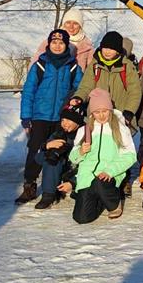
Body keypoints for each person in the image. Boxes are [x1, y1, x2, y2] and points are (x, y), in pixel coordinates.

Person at [16, 29, 84, 204]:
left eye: (61, 43)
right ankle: (29, 185)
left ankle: (55, 186)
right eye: (54, 42)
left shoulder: (73, 67)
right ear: (49, 44)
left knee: (59, 151)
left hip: (62, 118)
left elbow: (80, 90)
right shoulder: (40, 65)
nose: (57, 45)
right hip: (40, 116)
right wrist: (26, 117)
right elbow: (29, 91)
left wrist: (73, 110)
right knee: (36, 150)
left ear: (66, 45)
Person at [59, 89, 137, 224]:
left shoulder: (120, 128)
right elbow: (73, 157)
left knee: (100, 182)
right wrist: (81, 152)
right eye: (97, 112)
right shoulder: (85, 130)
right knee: (81, 218)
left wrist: (110, 171)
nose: (101, 115)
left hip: (109, 175)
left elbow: (130, 155)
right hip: (87, 178)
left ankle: (114, 203)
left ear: (110, 110)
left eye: (104, 111)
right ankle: (100, 199)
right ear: (92, 113)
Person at [71, 31, 142, 136]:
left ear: (118, 51)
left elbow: (134, 92)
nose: (107, 51)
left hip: (119, 116)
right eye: (105, 47)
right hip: (97, 115)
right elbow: (86, 86)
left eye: (111, 48)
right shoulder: (95, 65)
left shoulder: (127, 67)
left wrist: (129, 111)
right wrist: (79, 97)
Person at [34, 104, 85, 210]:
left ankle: (77, 188)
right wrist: (46, 147)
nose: (64, 123)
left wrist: (72, 183)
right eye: (62, 120)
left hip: (80, 172)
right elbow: (38, 159)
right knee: (52, 157)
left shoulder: (86, 135)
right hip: (65, 170)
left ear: (78, 121)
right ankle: (48, 195)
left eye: (69, 120)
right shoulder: (58, 134)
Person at [31, 7, 93, 71]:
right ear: (64, 24)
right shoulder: (51, 41)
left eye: (75, 23)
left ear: (80, 26)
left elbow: (91, 70)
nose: (71, 26)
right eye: (68, 22)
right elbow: (34, 64)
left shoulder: (87, 46)